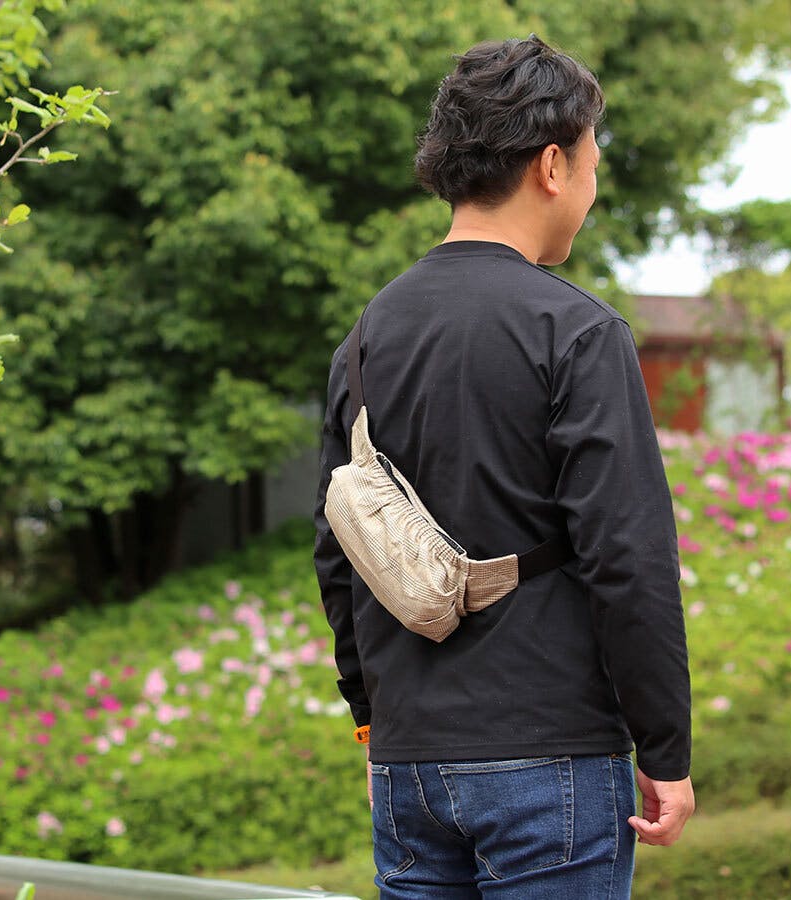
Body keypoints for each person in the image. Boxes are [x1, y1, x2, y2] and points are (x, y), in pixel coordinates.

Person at [312, 35, 694, 898]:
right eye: (591, 163)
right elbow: (628, 558)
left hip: (408, 765)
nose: (591, 188)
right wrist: (665, 748)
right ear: (552, 165)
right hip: (550, 754)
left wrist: (372, 717)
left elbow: (339, 548)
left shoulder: (365, 339)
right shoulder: (578, 332)